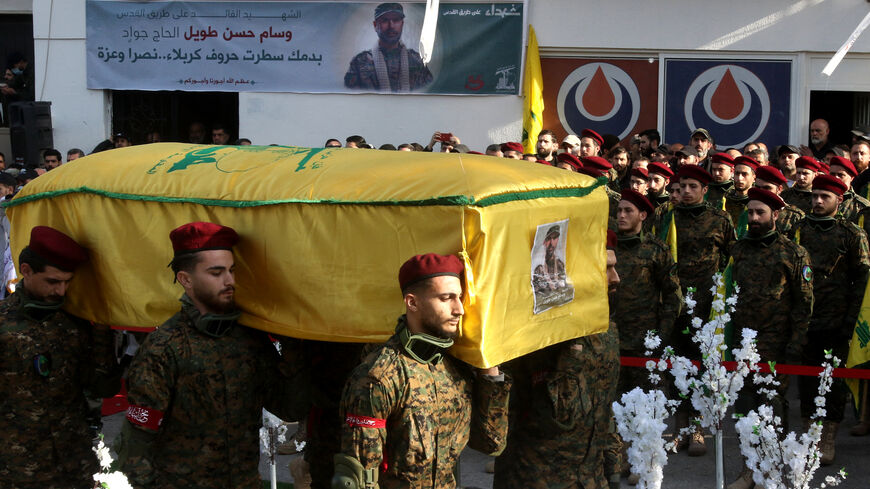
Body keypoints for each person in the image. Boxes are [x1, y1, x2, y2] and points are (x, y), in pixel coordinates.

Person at [115, 222, 309, 488]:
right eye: (216, 273)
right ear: (186, 279)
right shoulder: (164, 348)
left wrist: (293, 347)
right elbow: (137, 442)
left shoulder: (250, 337)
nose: (229, 281)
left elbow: (289, 407)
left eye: (231, 271)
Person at [334, 253, 510, 489]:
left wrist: (490, 368)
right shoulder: (379, 376)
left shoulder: (456, 366)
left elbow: (492, 444)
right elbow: (356, 479)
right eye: (446, 298)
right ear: (413, 303)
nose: (459, 309)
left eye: (459, 298)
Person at [494, 230, 621, 489]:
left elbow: (603, 407)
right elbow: (516, 415)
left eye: (615, 267)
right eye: (606, 269)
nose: (615, 278)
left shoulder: (607, 331)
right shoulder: (532, 336)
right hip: (535, 479)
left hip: (590, 479)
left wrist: (612, 466)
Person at [0, 226, 120, 488]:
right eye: (53, 282)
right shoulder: (3, 324)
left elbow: (104, 387)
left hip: (73, 465)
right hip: (17, 471)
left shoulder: (73, 325)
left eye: (67, 282)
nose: (61, 291)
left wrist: (101, 331)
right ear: (26, 270)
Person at [727, 188, 813, 489]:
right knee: (745, 406)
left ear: (775, 215)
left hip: (776, 343)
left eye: (759, 212)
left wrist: (795, 343)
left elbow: (804, 303)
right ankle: (748, 468)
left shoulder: (793, 253)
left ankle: (772, 469)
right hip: (743, 342)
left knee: (773, 406)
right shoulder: (738, 249)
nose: (753, 218)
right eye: (749, 212)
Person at [652, 165, 735, 456]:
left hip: (705, 307)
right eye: (682, 186)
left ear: (704, 190)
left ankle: (698, 428)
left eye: (692, 186)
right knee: (676, 367)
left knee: (701, 367)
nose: (686, 191)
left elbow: (731, 259)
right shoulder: (666, 217)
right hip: (673, 305)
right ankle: (680, 426)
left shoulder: (720, 219)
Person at [793, 175, 870, 465]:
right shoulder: (799, 230)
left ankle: (828, 437)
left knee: (834, 381)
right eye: (814, 196)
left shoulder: (852, 234)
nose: (817, 201)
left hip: (837, 321)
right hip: (804, 318)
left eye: (825, 196)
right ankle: (808, 432)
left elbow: (862, 280)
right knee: (806, 380)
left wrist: (850, 322)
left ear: (839, 199)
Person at [344, 3, 433, 92]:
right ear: (375, 25)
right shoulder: (359, 63)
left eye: (396, 20)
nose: (391, 26)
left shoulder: (417, 61)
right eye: (385, 20)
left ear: (402, 24)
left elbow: (427, 93)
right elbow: (351, 98)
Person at [754, 165, 804, 237]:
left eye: (767, 188)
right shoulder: (748, 211)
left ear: (779, 189)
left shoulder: (794, 216)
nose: (762, 192)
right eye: (758, 188)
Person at [723, 156, 758, 238]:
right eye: (737, 173)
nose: (739, 178)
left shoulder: (758, 202)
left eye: (744, 174)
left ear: (754, 177)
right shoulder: (724, 199)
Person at [828, 155, 869, 223]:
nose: (836, 178)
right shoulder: (817, 200)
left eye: (841, 175)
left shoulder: (862, 206)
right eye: (832, 174)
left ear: (851, 178)